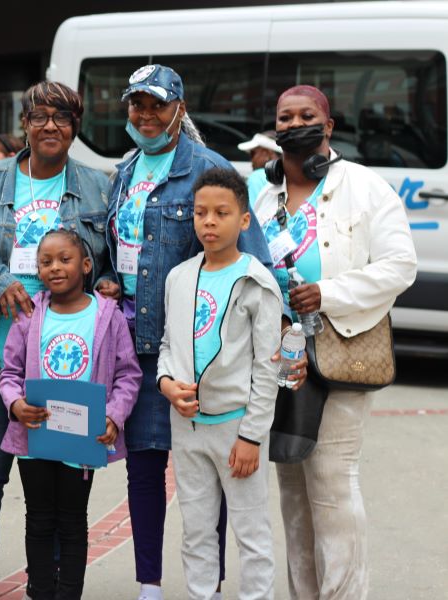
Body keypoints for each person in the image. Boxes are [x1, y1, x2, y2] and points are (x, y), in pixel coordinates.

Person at [101, 64, 281, 600]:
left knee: (215, 485)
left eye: (157, 104)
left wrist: (283, 339)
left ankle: (219, 586)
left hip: (188, 348)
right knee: (144, 468)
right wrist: (111, 281)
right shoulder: (126, 169)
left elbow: (254, 267)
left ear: (179, 109)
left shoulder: (208, 169)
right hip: (131, 344)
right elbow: (122, 253)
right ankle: (150, 583)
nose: (146, 115)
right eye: (137, 104)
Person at [0, 81, 112, 600]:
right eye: (40, 116)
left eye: (62, 117)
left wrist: (106, 284)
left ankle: (54, 588)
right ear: (25, 124)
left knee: (56, 495)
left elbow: (105, 263)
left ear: (74, 125)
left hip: (66, 373)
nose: (50, 126)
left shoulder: (98, 186)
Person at [253, 85, 417, 600]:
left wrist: (328, 293)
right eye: (285, 116)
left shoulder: (366, 188)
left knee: (331, 484)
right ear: (274, 128)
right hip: (279, 355)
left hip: (341, 349)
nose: (294, 122)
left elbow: (400, 265)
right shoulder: (263, 195)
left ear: (328, 126)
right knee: (293, 493)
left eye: (307, 115)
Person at [157, 168, 282, 600]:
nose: (209, 222)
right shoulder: (179, 277)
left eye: (221, 213)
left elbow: (268, 368)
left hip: (236, 430)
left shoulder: (256, 281)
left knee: (251, 533)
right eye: (200, 212)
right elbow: (168, 344)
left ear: (244, 221)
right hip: (188, 429)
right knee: (196, 531)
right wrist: (167, 383)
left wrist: (251, 435)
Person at [0, 229, 141, 600]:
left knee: (73, 523)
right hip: (35, 438)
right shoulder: (30, 315)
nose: (55, 268)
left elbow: (128, 375)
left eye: (65, 259)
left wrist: (113, 415)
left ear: (87, 265)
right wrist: (15, 403)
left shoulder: (108, 317)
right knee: (39, 520)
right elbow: (9, 373)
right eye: (45, 262)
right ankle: (41, 592)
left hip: (81, 441)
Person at [236, 131, 281, 204]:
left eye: (252, 154)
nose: (251, 160)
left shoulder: (257, 177)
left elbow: (253, 214)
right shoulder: (290, 176)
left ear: (266, 153)